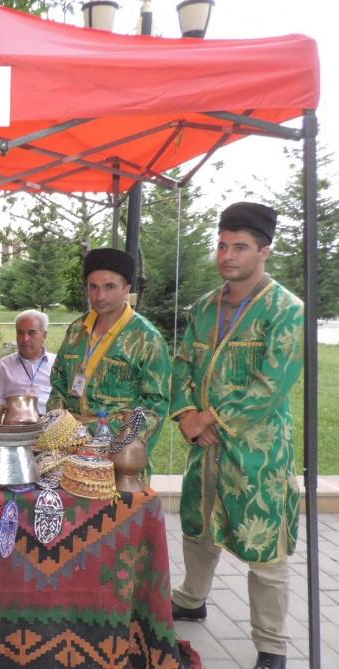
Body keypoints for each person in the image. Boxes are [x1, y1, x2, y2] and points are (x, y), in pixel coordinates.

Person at [169, 203, 303, 669]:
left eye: (239, 247)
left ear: (264, 251)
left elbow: (272, 384)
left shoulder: (286, 310)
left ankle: (271, 644)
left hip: (258, 453)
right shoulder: (204, 307)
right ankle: (191, 598)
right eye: (222, 245)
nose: (227, 255)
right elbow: (182, 364)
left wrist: (208, 420)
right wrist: (186, 413)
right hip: (203, 449)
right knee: (198, 527)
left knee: (266, 549)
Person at [47, 248, 171, 452]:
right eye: (93, 287)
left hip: (115, 449)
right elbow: (59, 380)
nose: (100, 296)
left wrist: (121, 444)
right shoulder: (77, 329)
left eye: (110, 286)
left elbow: (155, 405)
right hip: (69, 443)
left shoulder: (146, 338)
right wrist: (60, 427)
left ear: (126, 289)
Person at [0, 309, 56, 413]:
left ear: (44, 335)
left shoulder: (57, 365)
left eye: (31, 333)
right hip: (14, 425)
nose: (25, 338)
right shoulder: (3, 368)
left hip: (53, 426)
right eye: (20, 333)